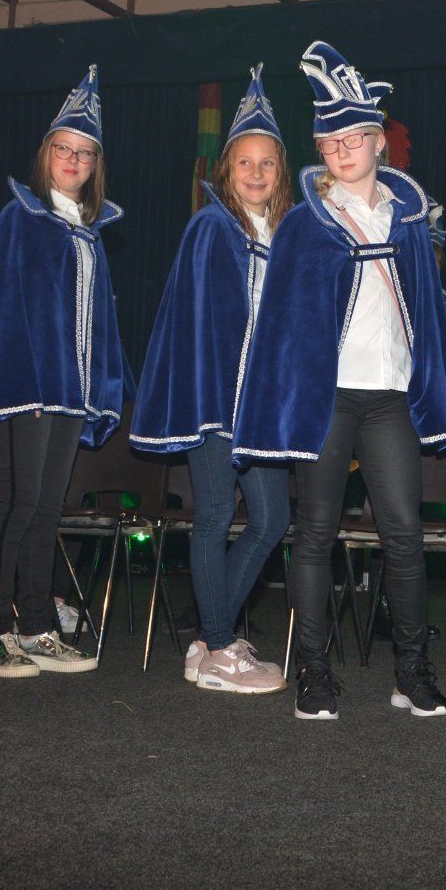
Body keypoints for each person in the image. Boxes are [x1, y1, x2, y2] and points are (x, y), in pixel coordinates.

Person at [230, 41, 446, 721]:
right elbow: (282, 324)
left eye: (355, 138)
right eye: (330, 142)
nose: (342, 151)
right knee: (316, 533)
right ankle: (315, 673)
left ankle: (411, 671)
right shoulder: (305, 223)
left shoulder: (408, 219)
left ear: (379, 141)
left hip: (389, 397)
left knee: (404, 533)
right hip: (326, 398)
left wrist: (436, 388)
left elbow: (427, 313)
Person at [0, 66, 130, 678]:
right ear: (45, 155)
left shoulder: (89, 232)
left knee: (48, 508)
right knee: (18, 504)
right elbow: (1, 309)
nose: (73, 161)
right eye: (63, 150)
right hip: (29, 389)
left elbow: (94, 321)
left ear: (95, 164)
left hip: (70, 393)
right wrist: (20, 386)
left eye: (84, 153)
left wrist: (97, 387)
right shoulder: (20, 217)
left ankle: (36, 625)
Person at [131, 66, 292, 695]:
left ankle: (209, 638)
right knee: (217, 514)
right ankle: (221, 647)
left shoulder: (285, 235)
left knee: (271, 519)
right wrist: (207, 399)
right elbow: (197, 321)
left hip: (263, 408)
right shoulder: (212, 226)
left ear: (281, 171)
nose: (255, 173)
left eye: (267, 163)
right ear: (226, 169)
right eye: (244, 162)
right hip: (219, 402)